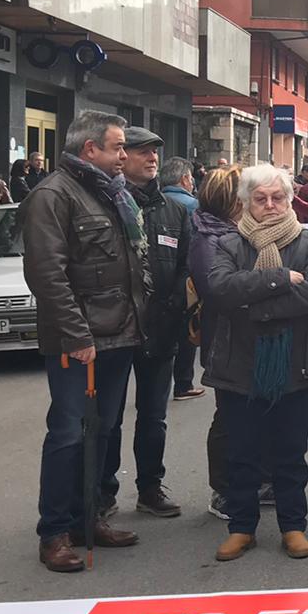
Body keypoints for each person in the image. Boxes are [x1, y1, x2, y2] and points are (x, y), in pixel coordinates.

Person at [20, 112, 146, 573]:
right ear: (90, 149)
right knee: (69, 434)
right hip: (81, 340)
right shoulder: (52, 195)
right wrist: (76, 335)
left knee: (103, 432)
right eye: (117, 148)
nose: (123, 157)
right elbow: (46, 275)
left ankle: (86, 519)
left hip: (118, 333)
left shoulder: (109, 192)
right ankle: (54, 532)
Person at [203, 165, 308, 562]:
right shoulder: (228, 243)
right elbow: (222, 290)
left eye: (278, 197)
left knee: (290, 452)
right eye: (261, 199)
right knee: (242, 453)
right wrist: (280, 278)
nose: (270, 205)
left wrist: (254, 301)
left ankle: (293, 526)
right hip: (238, 365)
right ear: (245, 203)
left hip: (295, 365)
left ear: (291, 199)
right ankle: (241, 528)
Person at [98, 128, 190, 519]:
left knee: (154, 416)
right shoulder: (104, 205)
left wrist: (175, 310)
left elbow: (188, 265)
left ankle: (150, 487)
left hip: (161, 328)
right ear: (123, 158)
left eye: (155, 151)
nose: (152, 158)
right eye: (141, 151)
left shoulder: (175, 210)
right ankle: (103, 493)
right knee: (108, 418)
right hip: (115, 329)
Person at [188, 167, 251, 521]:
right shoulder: (208, 238)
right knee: (228, 416)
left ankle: (253, 480)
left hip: (246, 336)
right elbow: (218, 290)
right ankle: (223, 489)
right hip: (224, 340)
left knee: (254, 411)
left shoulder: (233, 232)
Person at [159, 158, 204, 399]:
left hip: (159, 277)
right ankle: (183, 384)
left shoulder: (154, 203)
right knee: (187, 330)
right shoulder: (193, 206)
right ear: (185, 179)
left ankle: (160, 386)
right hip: (186, 277)